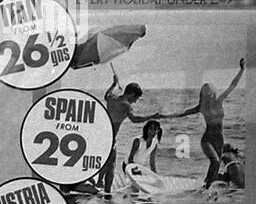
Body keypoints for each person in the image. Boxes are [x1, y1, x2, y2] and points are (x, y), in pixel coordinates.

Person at [174, 57, 246, 187]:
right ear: (204, 94)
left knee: (216, 168)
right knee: (215, 161)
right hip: (207, 139)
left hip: (219, 138)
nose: (209, 95)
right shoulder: (202, 108)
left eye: (210, 92)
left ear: (213, 93)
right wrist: (162, 116)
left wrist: (242, 70)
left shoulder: (219, 101)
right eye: (206, 93)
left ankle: (208, 184)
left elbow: (233, 86)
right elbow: (183, 113)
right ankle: (205, 187)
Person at [98, 67, 162, 196]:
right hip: (111, 137)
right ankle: (107, 193)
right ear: (132, 94)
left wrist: (114, 84)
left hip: (101, 135)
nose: (136, 101)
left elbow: (106, 95)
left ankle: (99, 181)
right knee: (111, 165)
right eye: (136, 98)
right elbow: (135, 119)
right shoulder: (127, 105)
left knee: (106, 160)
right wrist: (152, 116)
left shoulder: (112, 98)